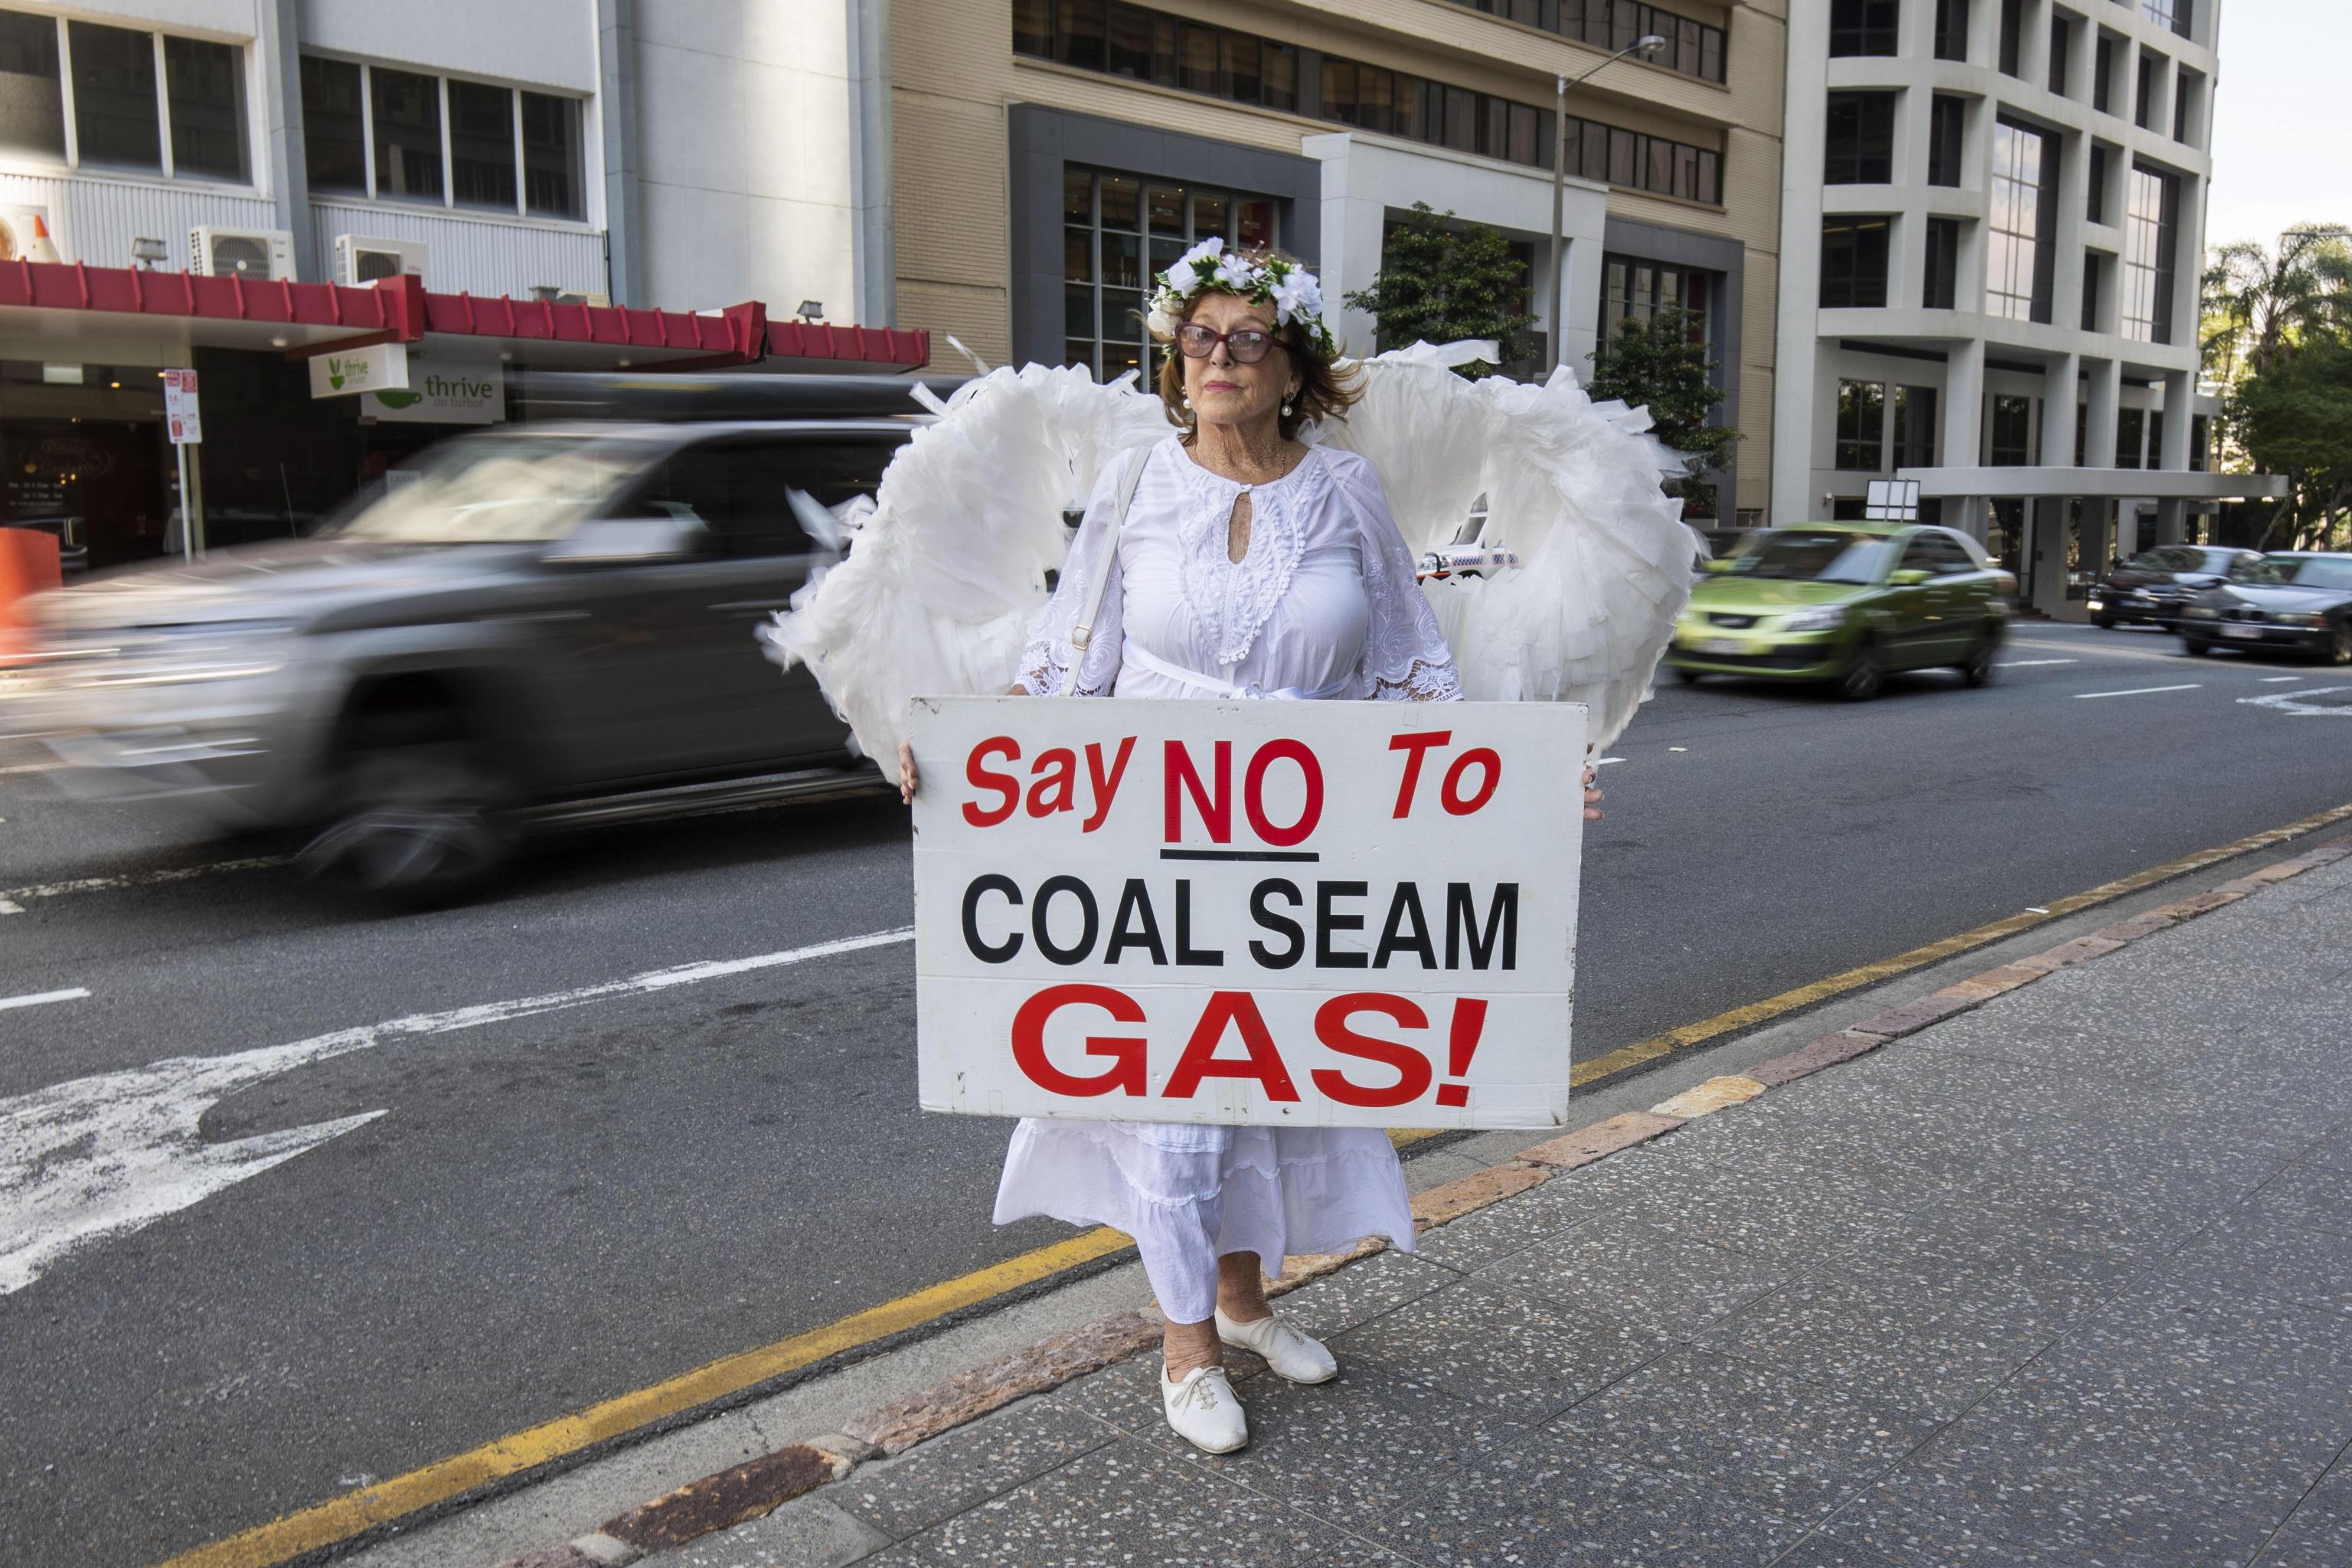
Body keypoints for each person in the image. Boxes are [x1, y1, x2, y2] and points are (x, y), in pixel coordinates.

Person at [892, 243, 1604, 1453]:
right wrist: (970, 757)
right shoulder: (1133, 485)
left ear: (1292, 372)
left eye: (1245, 338)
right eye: (1197, 335)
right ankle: (1185, 1350)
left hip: (1305, 854)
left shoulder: (1345, 495)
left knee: (1266, 1088)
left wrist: (1514, 794)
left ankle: (1243, 1300)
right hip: (1150, 849)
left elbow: (1409, 668)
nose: (1214, 357)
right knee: (1175, 1095)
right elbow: (1072, 657)